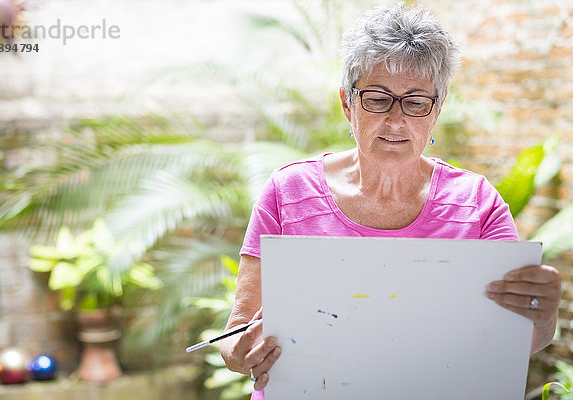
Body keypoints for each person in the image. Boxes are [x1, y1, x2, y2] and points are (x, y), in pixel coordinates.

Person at [220, 5, 561, 399]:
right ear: (348, 104)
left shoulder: (477, 202)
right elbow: (235, 336)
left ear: (437, 111)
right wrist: (243, 352)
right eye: (378, 99)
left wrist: (545, 313)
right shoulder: (289, 191)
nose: (396, 121)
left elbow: (520, 339)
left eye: (416, 102)